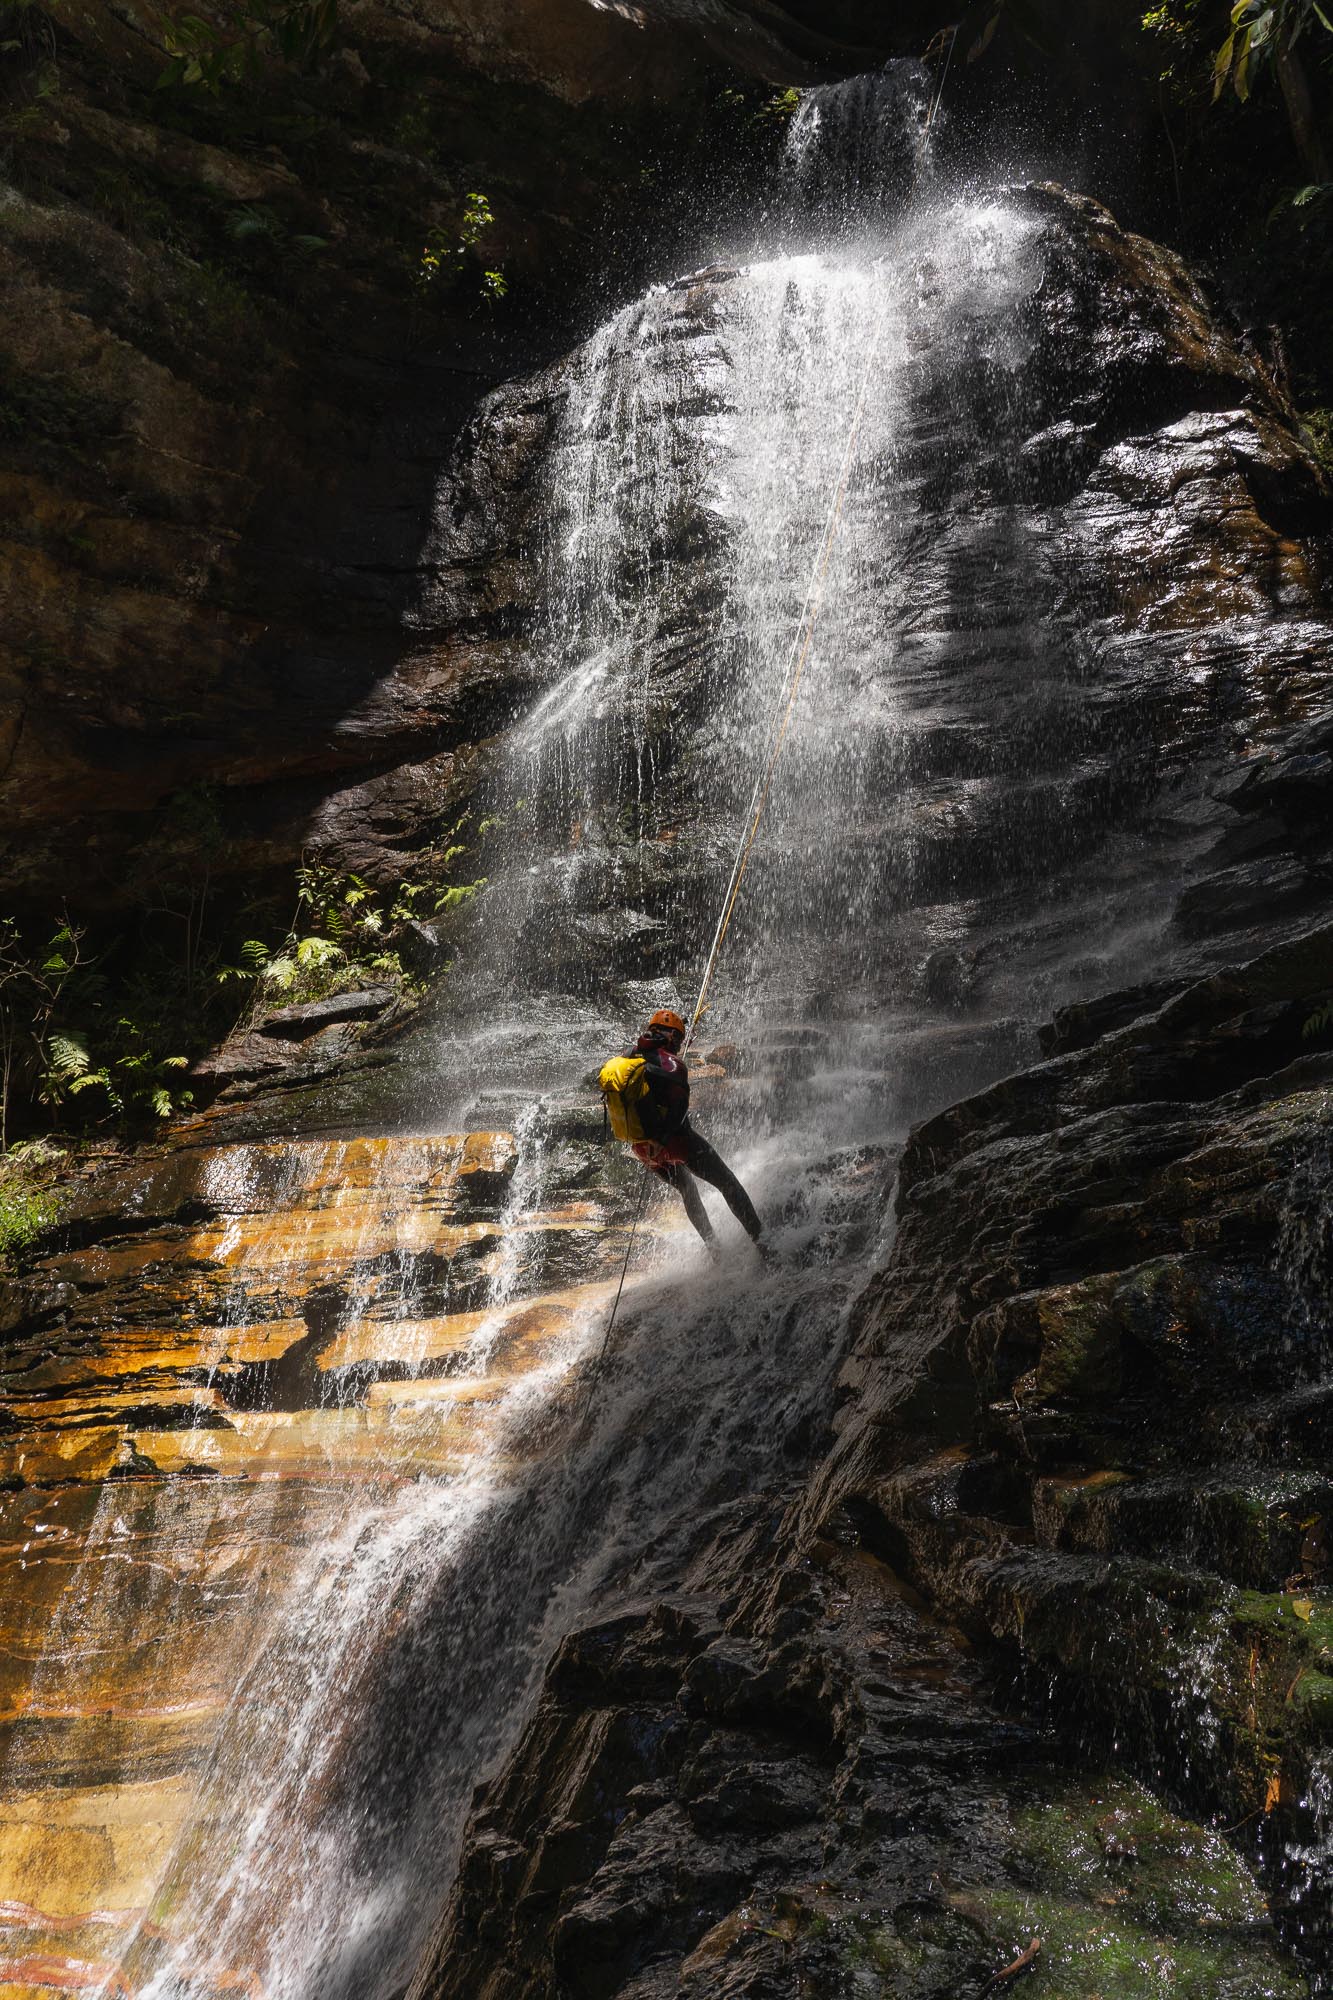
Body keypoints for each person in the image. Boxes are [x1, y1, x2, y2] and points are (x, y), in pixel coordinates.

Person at [606, 1008, 766, 1256]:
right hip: (672, 1143)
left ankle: (714, 1251)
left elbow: (653, 1068)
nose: (679, 1044)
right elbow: (679, 1108)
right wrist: (662, 1139)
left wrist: (654, 1142)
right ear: (670, 1035)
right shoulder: (673, 1064)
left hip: (642, 1148)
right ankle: (763, 1244)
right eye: (678, 1039)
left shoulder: (628, 1056)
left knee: (686, 1188)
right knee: (727, 1182)